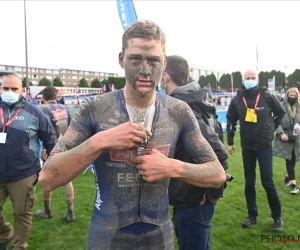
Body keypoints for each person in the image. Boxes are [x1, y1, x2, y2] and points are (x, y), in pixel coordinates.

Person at [39, 20, 226, 249]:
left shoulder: (178, 111)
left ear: (164, 63)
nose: (145, 69)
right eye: (135, 59)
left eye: (154, 60)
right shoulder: (95, 108)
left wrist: (170, 167)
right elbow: (47, 178)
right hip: (106, 236)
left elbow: (217, 174)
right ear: (121, 59)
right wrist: (100, 141)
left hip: (159, 235)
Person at [160, 55, 229, 250]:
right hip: (190, 195)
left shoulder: (184, 107)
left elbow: (219, 153)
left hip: (193, 198)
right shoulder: (197, 100)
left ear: (165, 77)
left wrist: (213, 190)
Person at [0, 74, 56, 250]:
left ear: (22, 91)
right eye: (6, 88)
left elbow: (50, 137)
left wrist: (50, 159)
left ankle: (19, 246)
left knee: (22, 213)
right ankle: (4, 233)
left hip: (23, 174)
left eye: (14, 89)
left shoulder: (33, 111)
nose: (9, 92)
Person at [226, 69, 286, 232]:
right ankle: (252, 215)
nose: (250, 80)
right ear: (243, 80)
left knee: (268, 182)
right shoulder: (238, 99)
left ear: (257, 79)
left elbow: (280, 112)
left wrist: (271, 127)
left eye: (253, 78)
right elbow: (231, 120)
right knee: (249, 182)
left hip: (264, 145)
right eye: (248, 78)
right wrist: (230, 142)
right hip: (247, 146)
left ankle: (277, 217)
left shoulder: (266, 96)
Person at [35, 86, 75, 222]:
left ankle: (47, 211)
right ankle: (71, 213)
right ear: (56, 96)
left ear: (43, 97)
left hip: (51, 147)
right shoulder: (64, 108)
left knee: (46, 178)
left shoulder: (43, 109)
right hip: (65, 145)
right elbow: (70, 126)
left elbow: (46, 130)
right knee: (67, 179)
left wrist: (45, 149)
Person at [273, 87, 300, 194]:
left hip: (296, 137)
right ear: (287, 95)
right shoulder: (281, 106)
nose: (293, 98)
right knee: (289, 160)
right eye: (291, 95)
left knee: (293, 159)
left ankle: (288, 177)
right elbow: (276, 121)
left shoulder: (298, 107)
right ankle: (294, 185)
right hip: (285, 137)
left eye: (295, 96)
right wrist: (281, 133)